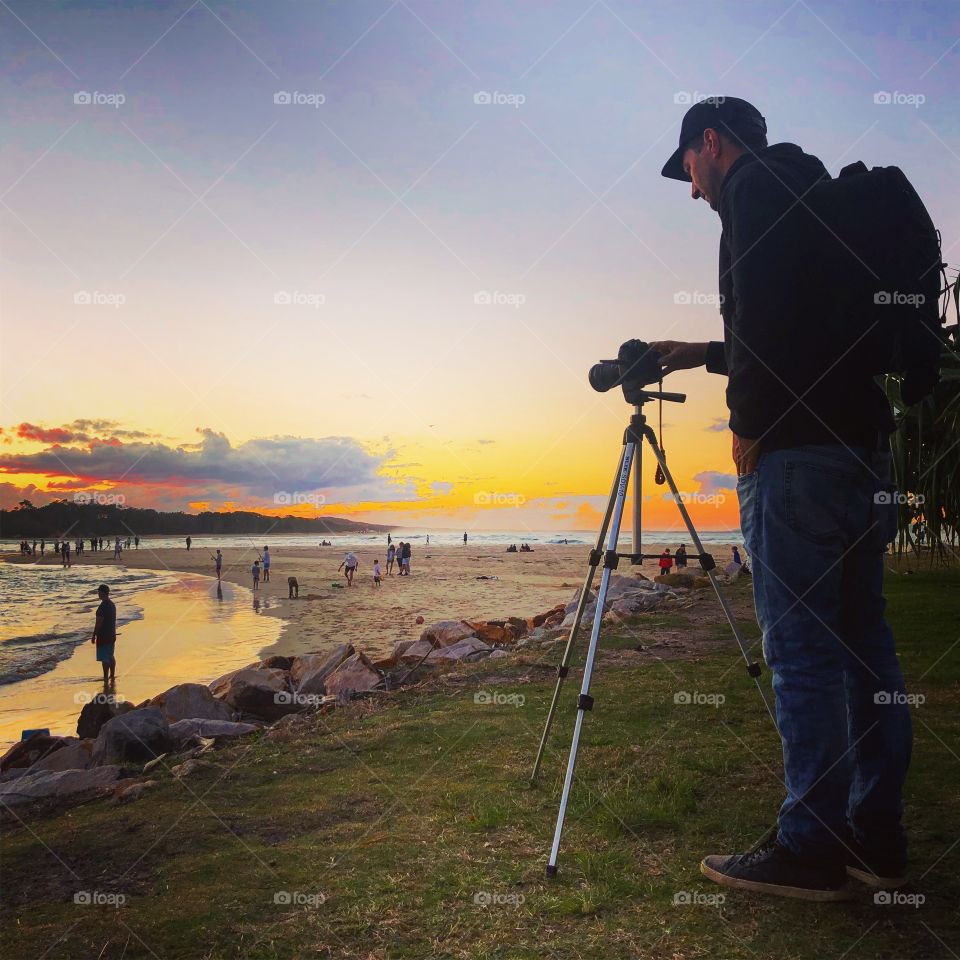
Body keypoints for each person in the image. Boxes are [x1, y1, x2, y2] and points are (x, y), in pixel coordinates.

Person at [655, 96, 911, 900]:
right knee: (865, 645)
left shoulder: (754, 190)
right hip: (861, 451)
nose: (693, 190)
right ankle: (874, 834)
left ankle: (810, 845)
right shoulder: (809, 191)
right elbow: (800, 326)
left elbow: (767, 330)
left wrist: (749, 429)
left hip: (797, 460)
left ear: (710, 143)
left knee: (800, 653)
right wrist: (698, 351)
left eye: (690, 169)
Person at [91, 583, 117, 684]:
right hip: (112, 634)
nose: (98, 593)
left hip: (103, 635)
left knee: (105, 658)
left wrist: (94, 635)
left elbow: (98, 622)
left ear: (102, 593)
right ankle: (112, 675)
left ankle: (106, 677)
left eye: (99, 592)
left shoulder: (102, 607)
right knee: (111, 655)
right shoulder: (112, 604)